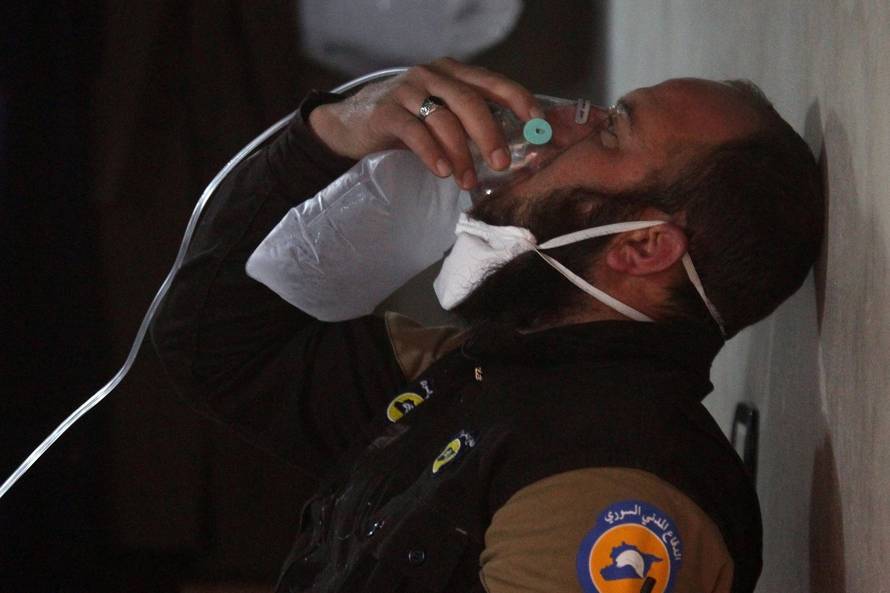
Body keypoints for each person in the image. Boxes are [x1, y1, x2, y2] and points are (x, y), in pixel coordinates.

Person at [150, 58, 823, 593]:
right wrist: (331, 134)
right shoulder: (480, 372)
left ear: (641, 248)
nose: (553, 129)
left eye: (612, 130)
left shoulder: (618, 480)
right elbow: (212, 343)